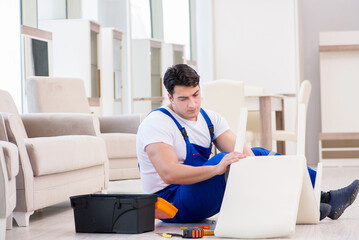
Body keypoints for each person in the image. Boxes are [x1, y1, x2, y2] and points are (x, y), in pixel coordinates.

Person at [136, 63, 359, 223]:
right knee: (226, 160)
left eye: (196, 95)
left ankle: (322, 197)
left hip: (196, 192)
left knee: (257, 153)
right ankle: (296, 205)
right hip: (171, 204)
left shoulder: (209, 118)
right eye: (183, 99)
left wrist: (259, 168)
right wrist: (216, 168)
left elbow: (244, 154)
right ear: (170, 97)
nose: (193, 104)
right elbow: (168, 173)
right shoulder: (157, 124)